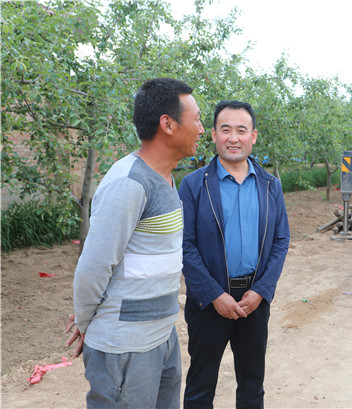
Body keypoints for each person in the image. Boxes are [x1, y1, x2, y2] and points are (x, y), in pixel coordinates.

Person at [64, 77, 205, 408]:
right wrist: (86, 323)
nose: (201, 129)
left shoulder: (165, 178)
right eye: (197, 119)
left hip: (160, 337)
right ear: (168, 124)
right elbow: (94, 266)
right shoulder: (129, 183)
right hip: (125, 347)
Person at [178, 100, 290, 408]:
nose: (233, 138)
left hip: (253, 301)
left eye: (241, 130)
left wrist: (261, 291)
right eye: (225, 130)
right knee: (200, 386)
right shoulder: (194, 185)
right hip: (208, 302)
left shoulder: (270, 185)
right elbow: (185, 245)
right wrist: (214, 294)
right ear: (214, 135)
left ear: (253, 136)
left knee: (252, 386)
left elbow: (281, 240)